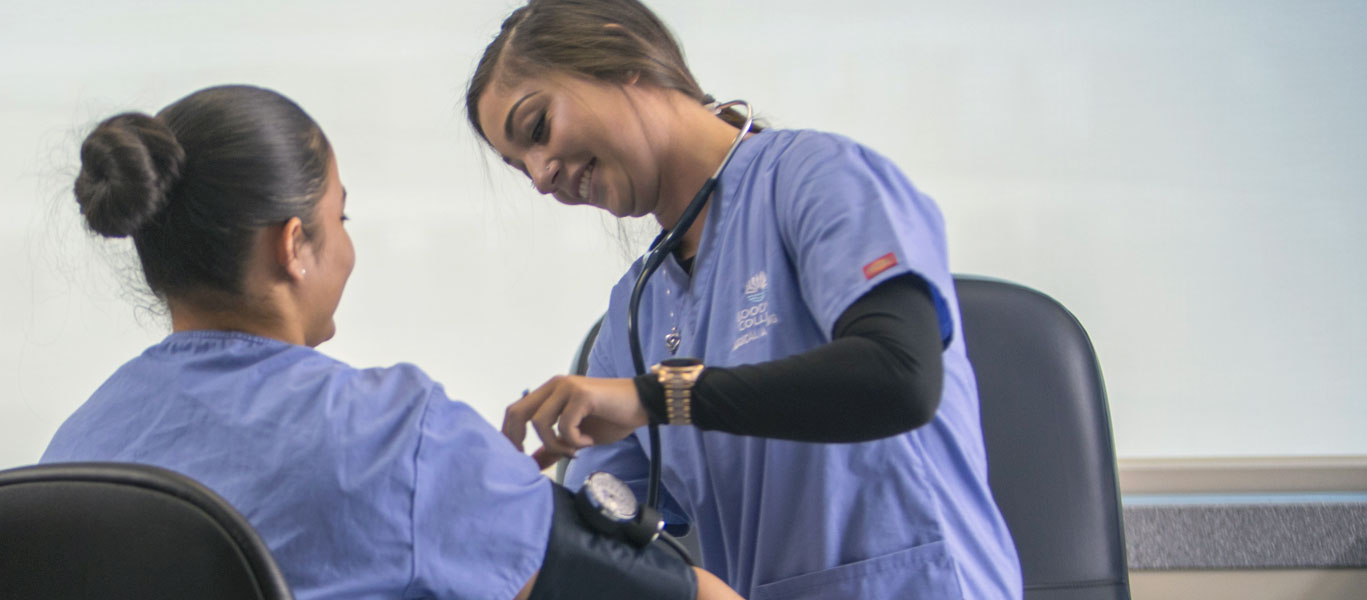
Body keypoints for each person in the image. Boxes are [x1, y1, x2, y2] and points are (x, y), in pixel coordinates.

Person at [41, 84, 740, 600]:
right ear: (294, 248)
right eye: (339, 217)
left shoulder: (74, 452)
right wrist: (467, 487)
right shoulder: (395, 436)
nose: (347, 245)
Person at [465, 1, 1023, 598]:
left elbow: (900, 375)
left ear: (620, 54)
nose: (542, 175)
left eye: (538, 128)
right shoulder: (638, 308)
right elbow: (609, 528)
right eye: (521, 168)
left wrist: (658, 397)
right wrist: (504, 503)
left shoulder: (817, 178)